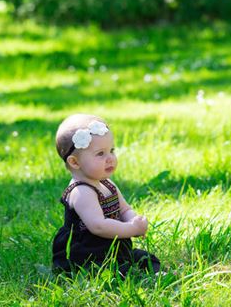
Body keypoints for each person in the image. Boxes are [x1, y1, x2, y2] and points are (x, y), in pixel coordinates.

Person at [52, 113, 160, 275]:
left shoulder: (107, 183)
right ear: (75, 162)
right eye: (100, 153)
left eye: (111, 150)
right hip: (87, 254)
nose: (110, 158)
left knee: (145, 258)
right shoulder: (81, 191)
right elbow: (99, 226)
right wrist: (131, 229)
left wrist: (134, 220)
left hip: (113, 247)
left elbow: (124, 210)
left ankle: (154, 273)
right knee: (113, 271)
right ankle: (132, 275)